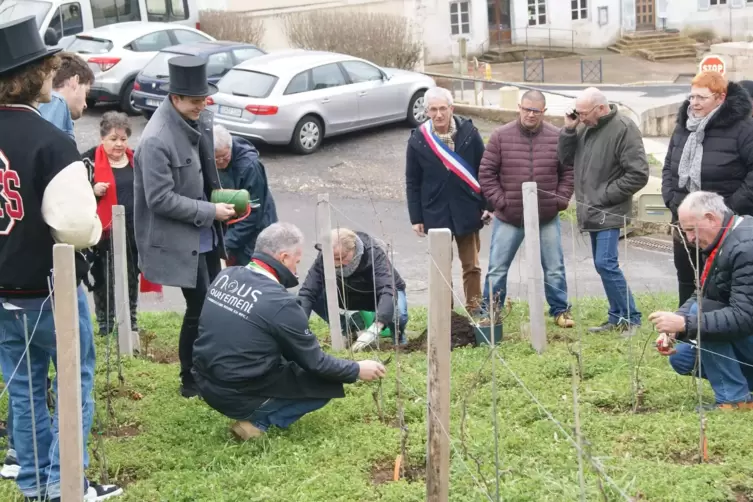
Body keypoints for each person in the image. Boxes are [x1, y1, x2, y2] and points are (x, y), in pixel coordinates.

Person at [0, 16, 122, 501]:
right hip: (47, 293)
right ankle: (63, 481)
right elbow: (78, 228)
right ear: (36, 75)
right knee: (74, 381)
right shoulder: (51, 143)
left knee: (25, 386)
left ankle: (32, 481)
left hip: (3, 291)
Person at [192, 222, 386, 440]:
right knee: (326, 381)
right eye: (296, 262)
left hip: (203, 381)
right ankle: (258, 422)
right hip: (236, 394)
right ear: (284, 258)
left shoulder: (226, 275)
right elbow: (317, 363)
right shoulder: (280, 302)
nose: (295, 270)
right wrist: (357, 369)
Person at [134, 55, 234, 399]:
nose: (202, 106)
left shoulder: (197, 118)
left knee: (212, 303)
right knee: (200, 307)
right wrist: (210, 210)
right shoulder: (155, 140)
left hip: (205, 231)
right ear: (175, 98)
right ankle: (190, 378)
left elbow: (206, 170)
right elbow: (159, 199)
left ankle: (209, 368)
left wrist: (223, 201)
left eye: (204, 99)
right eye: (195, 101)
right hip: (181, 238)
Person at [479, 90, 575, 327]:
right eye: (526, 109)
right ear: (519, 108)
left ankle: (560, 310)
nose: (530, 115)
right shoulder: (501, 136)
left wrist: (559, 200)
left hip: (546, 215)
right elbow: (486, 173)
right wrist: (501, 202)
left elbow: (569, 172)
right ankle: (490, 312)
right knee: (497, 269)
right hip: (509, 217)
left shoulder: (557, 137)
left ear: (544, 112)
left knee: (554, 268)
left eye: (536, 111)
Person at [649, 191, 753, 410]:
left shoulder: (746, 248)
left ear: (711, 218)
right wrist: (676, 324)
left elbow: (744, 317)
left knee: (703, 315)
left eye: (690, 230)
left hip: (747, 326)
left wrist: (687, 324)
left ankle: (734, 400)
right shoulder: (724, 239)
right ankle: (745, 388)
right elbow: (703, 294)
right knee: (683, 358)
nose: (689, 239)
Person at [558, 87, 649, 333]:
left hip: (610, 208)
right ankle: (616, 316)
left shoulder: (624, 128)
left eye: (584, 113)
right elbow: (565, 159)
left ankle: (632, 318)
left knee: (606, 263)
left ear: (600, 108)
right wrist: (569, 129)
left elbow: (638, 174)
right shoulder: (586, 127)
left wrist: (604, 195)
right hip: (592, 209)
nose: (581, 117)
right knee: (602, 265)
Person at [661, 72, 753, 307]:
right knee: (686, 279)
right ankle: (685, 333)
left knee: (721, 285)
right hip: (685, 222)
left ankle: (717, 338)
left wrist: (727, 209)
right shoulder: (684, 127)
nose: (694, 103)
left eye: (702, 97)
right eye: (692, 97)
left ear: (720, 98)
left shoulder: (743, 128)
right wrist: (672, 200)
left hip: (722, 224)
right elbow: (669, 165)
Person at [405, 86, 490, 314]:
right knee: (441, 267)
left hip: (467, 209)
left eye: (443, 108)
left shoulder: (470, 133)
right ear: (427, 111)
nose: (439, 114)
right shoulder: (418, 140)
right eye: (433, 109)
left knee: (471, 265)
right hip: (434, 211)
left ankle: (475, 309)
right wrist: (416, 217)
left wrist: (487, 204)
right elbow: (412, 181)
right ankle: (445, 314)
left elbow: (484, 170)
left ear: (451, 108)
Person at [81, 112, 162, 335]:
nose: (119, 144)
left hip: (134, 230)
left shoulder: (136, 159)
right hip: (103, 233)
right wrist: (92, 190)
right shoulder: (87, 161)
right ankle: (106, 324)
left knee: (130, 277)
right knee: (104, 279)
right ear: (102, 139)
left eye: (123, 139)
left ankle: (131, 321)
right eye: (113, 139)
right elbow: (74, 193)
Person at [297, 228, 408, 351]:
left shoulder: (373, 253)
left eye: (341, 257)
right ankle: (348, 326)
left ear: (353, 249)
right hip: (349, 295)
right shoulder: (327, 257)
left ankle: (397, 335)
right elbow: (307, 292)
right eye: (332, 258)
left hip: (377, 295)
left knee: (399, 314)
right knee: (314, 296)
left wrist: (376, 326)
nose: (335, 263)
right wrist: (297, 327)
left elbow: (387, 290)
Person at [213, 124, 278, 266]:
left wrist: (227, 243)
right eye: (215, 159)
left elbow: (254, 214)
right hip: (230, 225)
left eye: (224, 157)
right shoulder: (207, 157)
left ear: (230, 148)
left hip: (256, 231)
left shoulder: (250, 167)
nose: (220, 163)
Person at [37, 51, 93, 141]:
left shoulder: (36, 104)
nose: (85, 104)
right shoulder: (57, 103)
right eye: (86, 93)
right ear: (75, 80)